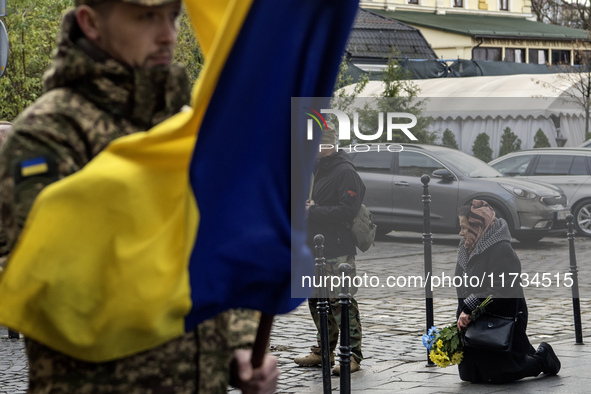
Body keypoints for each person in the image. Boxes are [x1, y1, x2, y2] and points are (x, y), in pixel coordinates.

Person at [0, 1, 278, 392]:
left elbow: (218, 255)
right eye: (146, 17)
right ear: (91, 23)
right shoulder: (49, 135)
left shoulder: (182, 128)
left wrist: (240, 346)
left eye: (173, 16)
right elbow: (54, 287)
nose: (167, 34)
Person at [455, 199, 561, 383]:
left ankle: (543, 358)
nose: (461, 232)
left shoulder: (501, 249)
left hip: (503, 313)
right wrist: (463, 314)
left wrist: (470, 307)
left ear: (478, 225)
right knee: (470, 375)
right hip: (474, 318)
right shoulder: (465, 248)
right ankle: (523, 349)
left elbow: (501, 289)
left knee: (501, 374)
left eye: (464, 227)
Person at [294, 121, 365, 375]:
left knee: (340, 303)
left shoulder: (345, 171)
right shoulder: (317, 168)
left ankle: (352, 355)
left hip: (337, 250)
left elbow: (349, 210)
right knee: (317, 301)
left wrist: (313, 210)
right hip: (314, 248)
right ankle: (325, 351)